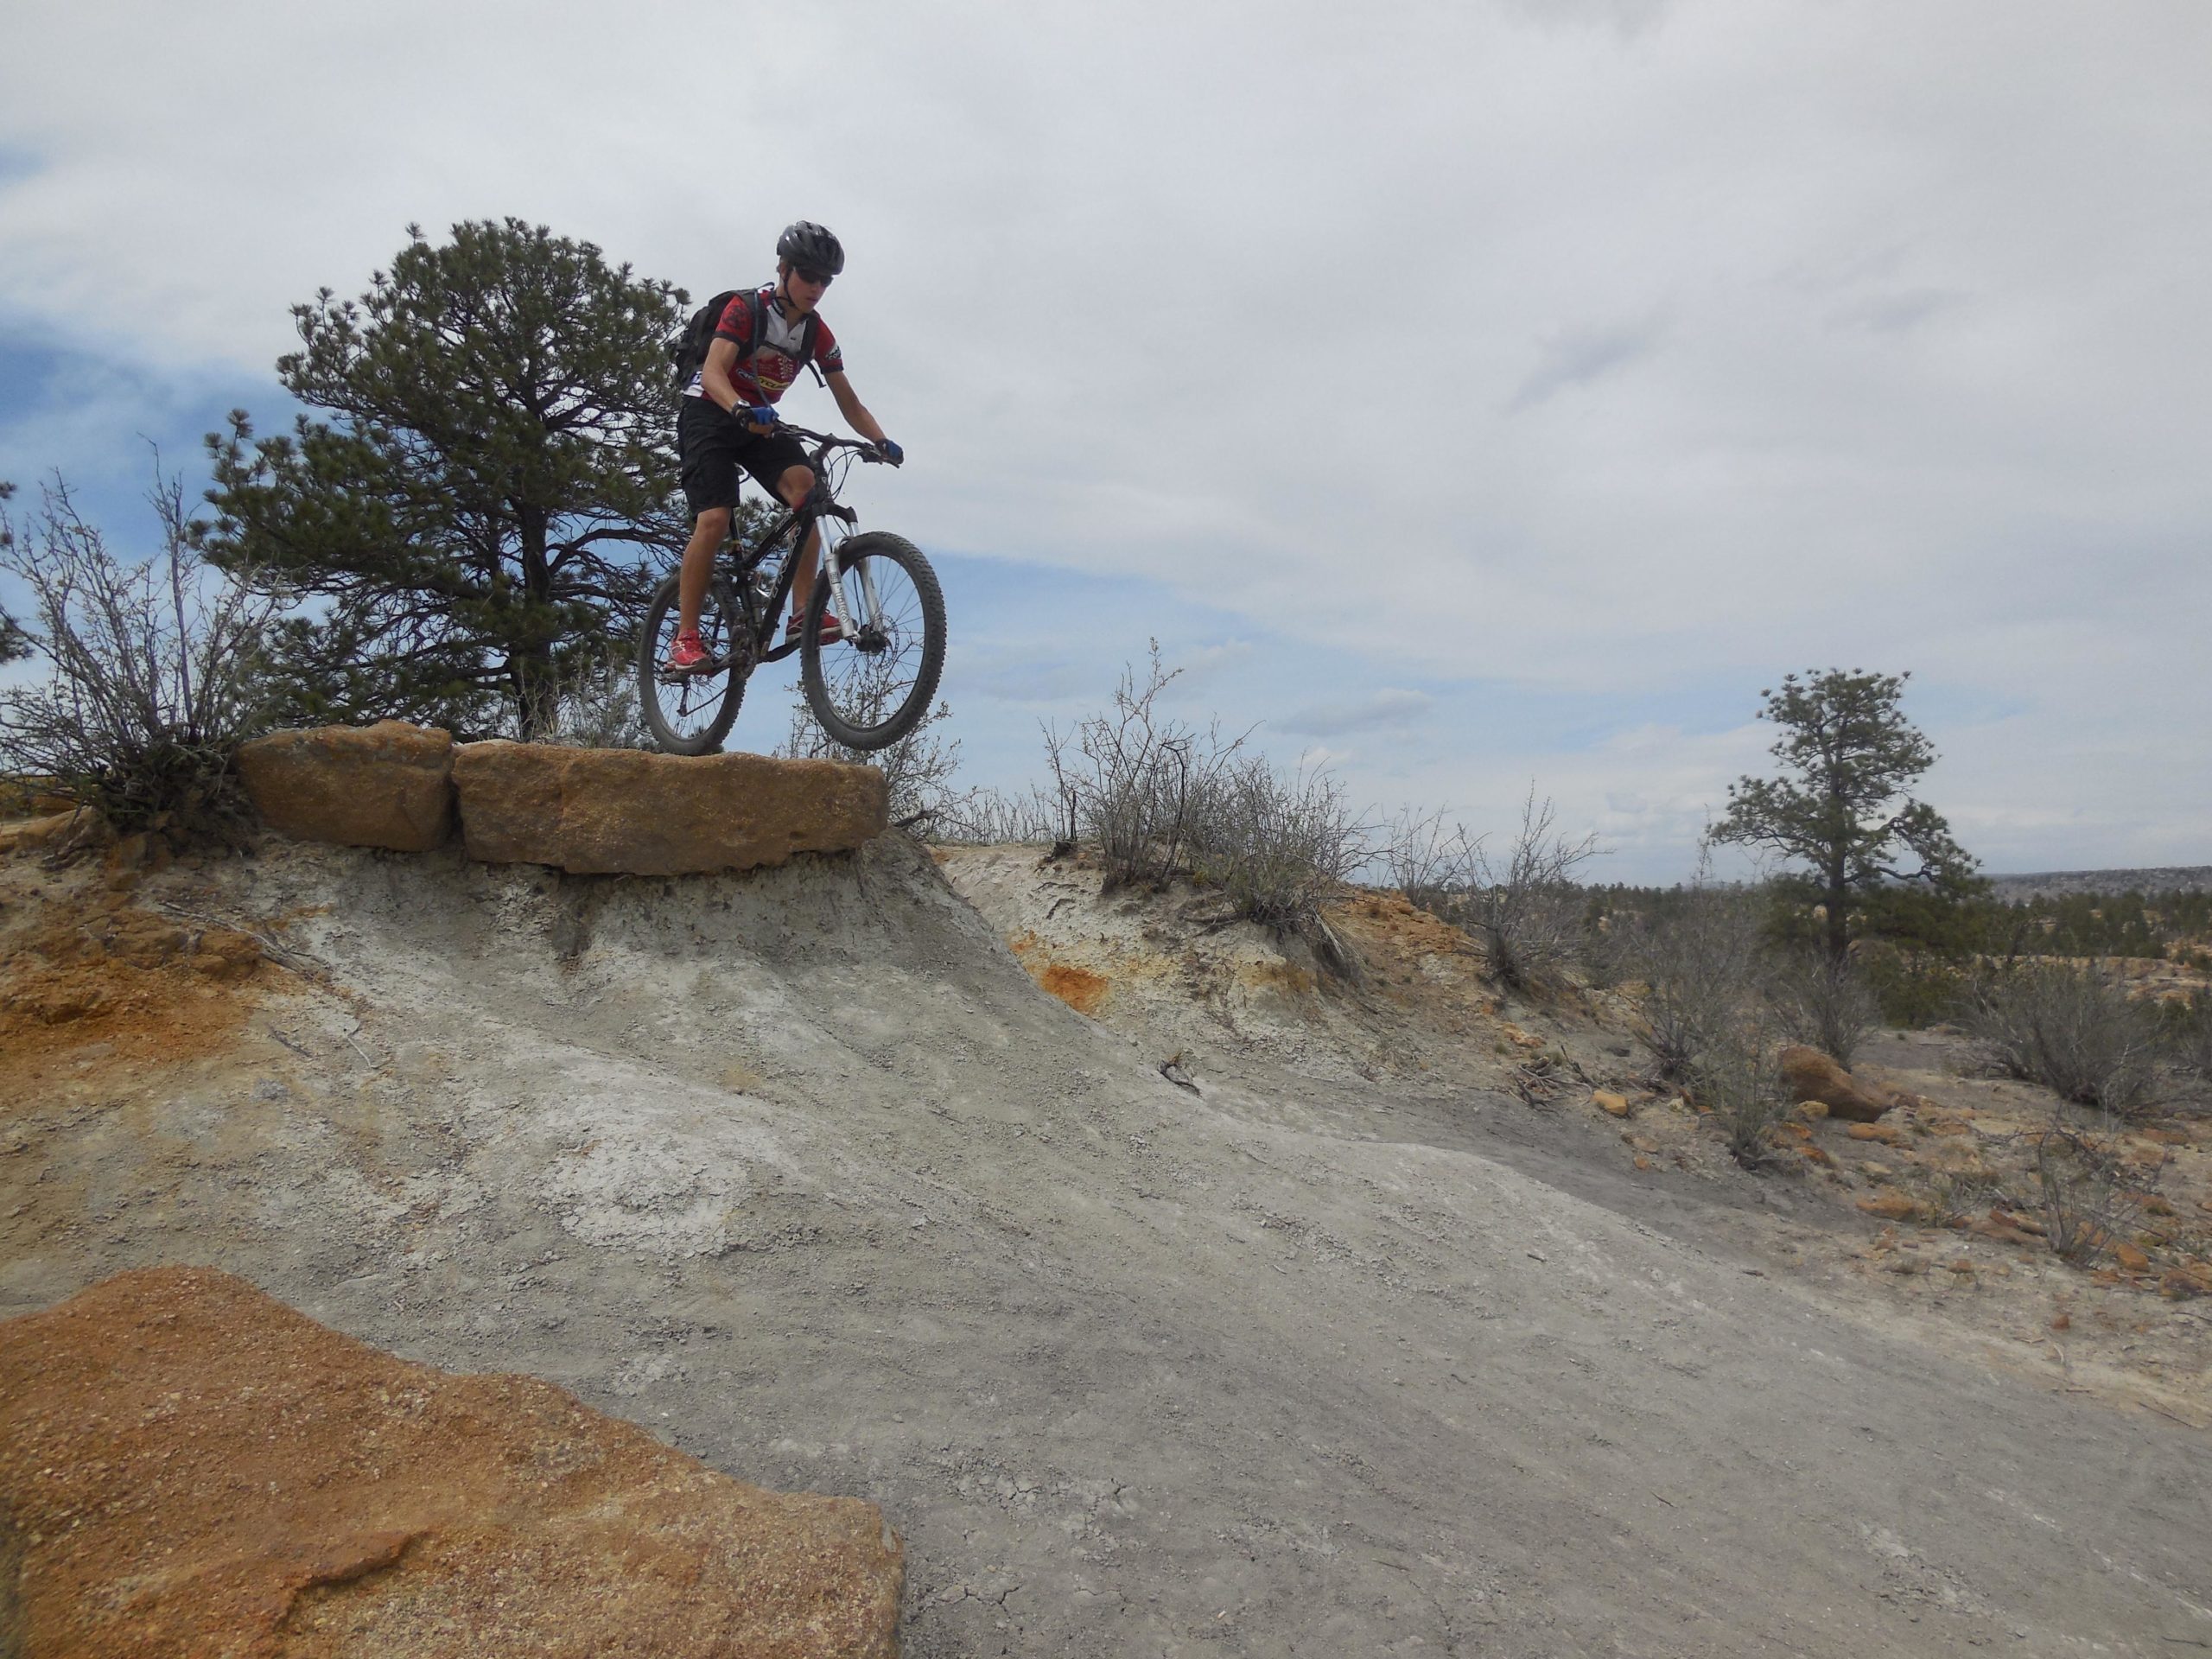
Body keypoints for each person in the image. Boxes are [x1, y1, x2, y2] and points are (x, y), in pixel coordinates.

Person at [665, 221, 901, 671]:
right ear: (784, 269)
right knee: (714, 518)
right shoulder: (745, 310)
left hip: (758, 421)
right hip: (710, 411)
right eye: (808, 276)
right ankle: (685, 638)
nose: (816, 288)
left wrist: (880, 440)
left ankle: (801, 614)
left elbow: (848, 400)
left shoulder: (816, 333)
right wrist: (738, 407)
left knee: (809, 495)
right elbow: (714, 372)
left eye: (825, 281)